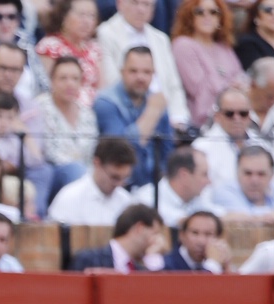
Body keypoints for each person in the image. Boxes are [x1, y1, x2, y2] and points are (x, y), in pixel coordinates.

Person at [98, 0, 189, 128]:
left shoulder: (161, 39)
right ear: (120, 4)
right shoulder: (105, 33)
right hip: (127, 116)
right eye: (135, 3)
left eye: (147, 4)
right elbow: (111, 81)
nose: (141, 9)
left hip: (167, 119)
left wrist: (179, 118)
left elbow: (174, 86)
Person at [93, 45, 172, 189]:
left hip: (154, 185)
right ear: (122, 72)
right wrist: (152, 113)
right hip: (119, 185)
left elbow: (167, 151)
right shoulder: (106, 102)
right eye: (133, 71)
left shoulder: (157, 102)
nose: (140, 77)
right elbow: (118, 151)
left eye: (146, 72)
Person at [171, 0, 244, 131]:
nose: (207, 16)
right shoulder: (183, 45)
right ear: (189, 16)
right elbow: (199, 90)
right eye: (199, 12)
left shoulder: (224, 47)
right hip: (204, 123)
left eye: (213, 12)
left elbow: (241, 79)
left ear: (220, 17)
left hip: (234, 116)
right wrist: (230, 87)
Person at [35, 55, 98, 198]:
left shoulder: (87, 114)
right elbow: (50, 153)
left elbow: (92, 152)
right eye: (63, 78)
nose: (69, 84)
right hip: (53, 174)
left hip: (84, 175)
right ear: (52, 81)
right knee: (75, 170)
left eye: (75, 79)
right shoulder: (40, 107)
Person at [47, 134, 136, 224]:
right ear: (97, 163)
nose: (119, 184)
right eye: (114, 177)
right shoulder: (69, 198)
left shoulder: (126, 202)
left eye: (125, 178)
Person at [191, 86, 260, 196]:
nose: (237, 119)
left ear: (250, 116)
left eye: (243, 113)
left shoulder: (261, 143)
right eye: (229, 114)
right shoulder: (202, 148)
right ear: (217, 116)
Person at [35, 0, 105, 107]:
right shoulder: (49, 46)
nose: (87, 21)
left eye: (91, 16)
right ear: (64, 17)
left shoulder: (94, 48)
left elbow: (103, 87)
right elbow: (48, 87)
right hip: (63, 107)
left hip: (96, 109)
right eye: (81, 15)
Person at [68, 201, 164, 271]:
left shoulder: (141, 268)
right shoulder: (89, 259)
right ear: (139, 228)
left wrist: (152, 258)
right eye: (154, 234)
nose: (158, 241)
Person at [133, 144, 213, 226]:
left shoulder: (197, 196)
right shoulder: (147, 199)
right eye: (204, 174)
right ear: (184, 175)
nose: (209, 181)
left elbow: (216, 213)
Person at [211, 143, 274, 220]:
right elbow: (245, 218)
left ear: (272, 175)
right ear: (237, 173)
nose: (254, 180)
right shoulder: (224, 191)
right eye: (248, 173)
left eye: (261, 174)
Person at [162, 208, 230, 271]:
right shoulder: (166, 266)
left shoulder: (219, 264)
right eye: (195, 233)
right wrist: (212, 264)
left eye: (208, 234)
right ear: (182, 235)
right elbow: (198, 284)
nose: (201, 241)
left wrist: (226, 268)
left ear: (218, 238)